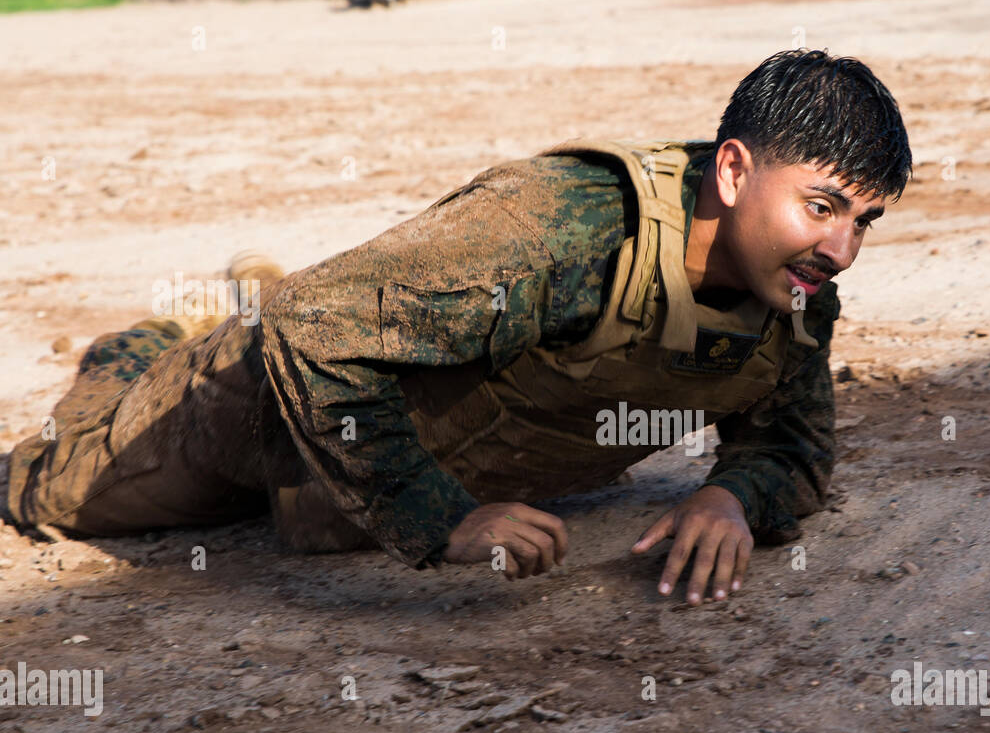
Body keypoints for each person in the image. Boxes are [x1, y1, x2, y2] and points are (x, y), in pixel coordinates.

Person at [2, 49, 911, 606]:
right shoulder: (571, 228)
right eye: (823, 205)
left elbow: (792, 442)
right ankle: (149, 347)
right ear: (736, 170)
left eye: (864, 221)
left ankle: (252, 297)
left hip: (347, 464)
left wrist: (733, 496)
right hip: (259, 410)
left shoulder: (796, 286)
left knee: (327, 321)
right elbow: (312, 327)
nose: (842, 248)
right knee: (43, 496)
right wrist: (443, 522)